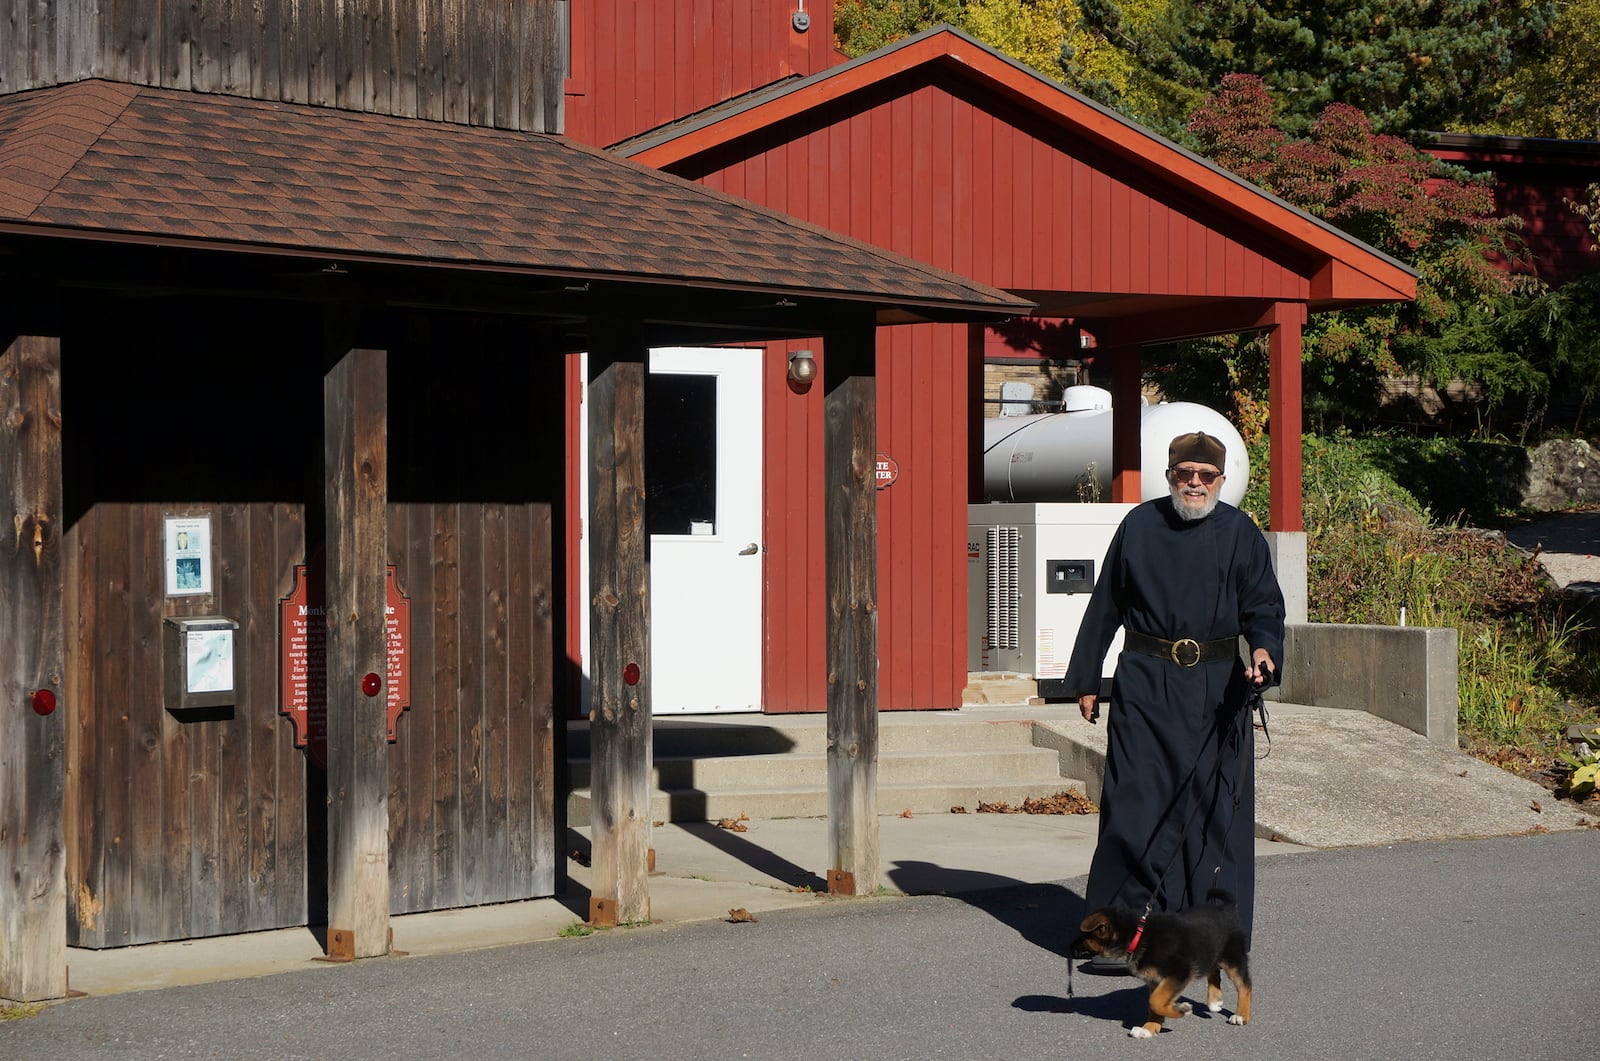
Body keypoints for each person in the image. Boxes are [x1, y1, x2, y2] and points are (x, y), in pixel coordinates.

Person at [1063, 430, 1285, 971]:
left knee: (1214, 817)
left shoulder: (1241, 534)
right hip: (1144, 684)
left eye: (1205, 476)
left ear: (1221, 481)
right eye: (1184, 474)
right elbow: (1105, 605)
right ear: (1169, 476)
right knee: (1134, 806)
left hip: (1217, 690)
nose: (1194, 484)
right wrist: (1087, 676)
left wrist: (1262, 652)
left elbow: (1263, 608)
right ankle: (1120, 937)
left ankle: (1208, 939)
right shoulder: (1139, 526)